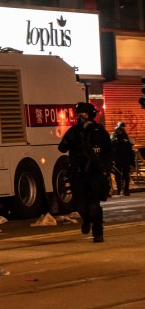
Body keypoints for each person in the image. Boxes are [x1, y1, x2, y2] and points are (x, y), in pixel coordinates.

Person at [58, 102, 112, 243]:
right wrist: (69, 139)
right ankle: (86, 219)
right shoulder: (74, 132)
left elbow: (108, 152)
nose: (80, 118)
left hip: (94, 174)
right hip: (78, 174)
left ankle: (98, 233)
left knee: (94, 206)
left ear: (90, 116)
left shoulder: (100, 132)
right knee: (80, 206)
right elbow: (62, 148)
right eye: (78, 115)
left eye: (83, 115)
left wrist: (105, 168)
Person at [111, 122, 135, 196]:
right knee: (120, 175)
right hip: (119, 160)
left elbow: (130, 152)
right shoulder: (114, 141)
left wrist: (132, 162)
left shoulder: (125, 141)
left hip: (123, 160)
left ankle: (124, 189)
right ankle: (122, 189)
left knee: (124, 175)